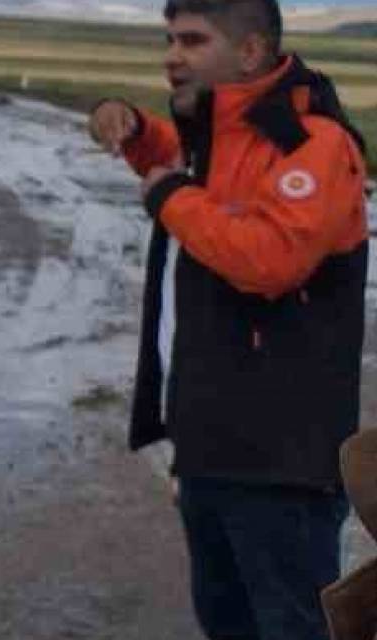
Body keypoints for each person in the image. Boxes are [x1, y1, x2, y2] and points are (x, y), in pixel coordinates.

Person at [87, 1, 370, 638]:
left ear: (250, 52)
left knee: (292, 627)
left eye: (192, 40)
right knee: (227, 624)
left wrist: (168, 196)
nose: (172, 56)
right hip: (209, 448)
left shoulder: (314, 144)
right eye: (169, 39)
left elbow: (269, 260)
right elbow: (181, 157)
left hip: (282, 464)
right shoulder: (219, 135)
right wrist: (128, 123)